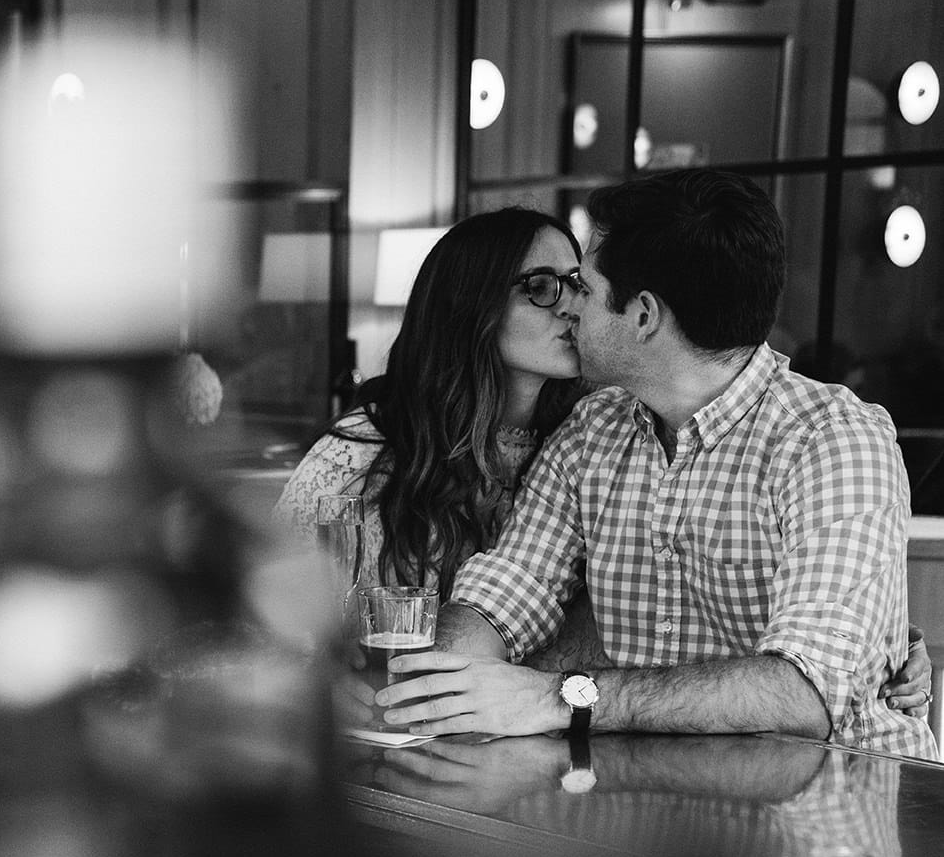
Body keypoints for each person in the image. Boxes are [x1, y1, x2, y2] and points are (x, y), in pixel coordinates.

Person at [380, 168, 937, 759]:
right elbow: (502, 598)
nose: (571, 310)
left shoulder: (831, 441)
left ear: (644, 316)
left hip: (836, 808)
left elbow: (803, 695)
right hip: (656, 800)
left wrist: (561, 698)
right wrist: (447, 685)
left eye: (585, 290)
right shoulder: (592, 433)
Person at [275, 208, 587, 604]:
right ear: (472, 303)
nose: (572, 307)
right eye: (541, 286)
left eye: (578, 283)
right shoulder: (366, 452)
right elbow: (281, 603)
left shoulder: (585, 437)